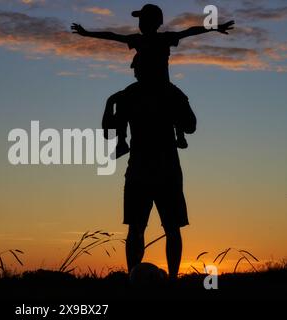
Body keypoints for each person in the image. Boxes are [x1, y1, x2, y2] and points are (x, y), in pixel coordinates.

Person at [73, 3, 234, 157]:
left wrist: (215, 27)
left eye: (142, 19)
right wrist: (87, 33)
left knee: (176, 103)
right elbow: (113, 36)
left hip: (159, 86)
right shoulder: (147, 39)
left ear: (153, 22)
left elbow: (190, 31)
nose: (140, 23)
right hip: (156, 86)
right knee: (136, 101)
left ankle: (174, 134)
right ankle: (123, 141)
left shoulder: (155, 39)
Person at [102, 68, 196, 280]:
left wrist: (110, 101)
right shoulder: (169, 92)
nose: (136, 72)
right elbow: (190, 126)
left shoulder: (133, 93)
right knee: (162, 229)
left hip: (146, 170)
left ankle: (138, 278)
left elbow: (108, 128)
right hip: (160, 170)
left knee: (141, 228)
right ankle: (165, 279)